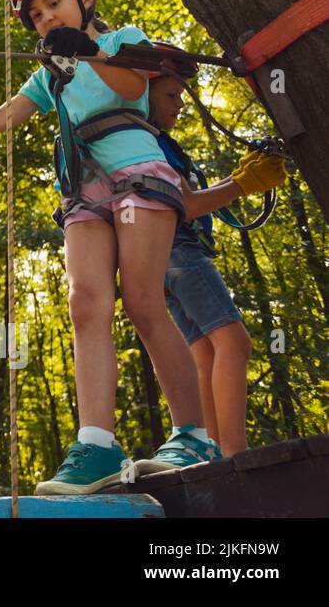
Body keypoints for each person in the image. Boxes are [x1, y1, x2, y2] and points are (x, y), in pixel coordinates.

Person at [0, 0, 220, 495]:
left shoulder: (124, 38)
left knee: (142, 300)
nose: (43, 18)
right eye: (35, 15)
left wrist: (89, 51)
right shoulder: (48, 74)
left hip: (136, 168)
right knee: (85, 301)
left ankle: (195, 433)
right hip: (82, 187)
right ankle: (97, 444)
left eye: (52, 4)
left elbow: (134, 86)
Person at [144, 41, 287, 458]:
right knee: (234, 342)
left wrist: (241, 177)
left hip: (163, 261)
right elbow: (186, 206)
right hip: (179, 252)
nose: (180, 105)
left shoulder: (156, 142)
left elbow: (186, 198)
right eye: (171, 95)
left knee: (205, 352)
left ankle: (213, 452)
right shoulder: (146, 142)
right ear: (141, 91)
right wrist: (246, 184)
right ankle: (235, 457)